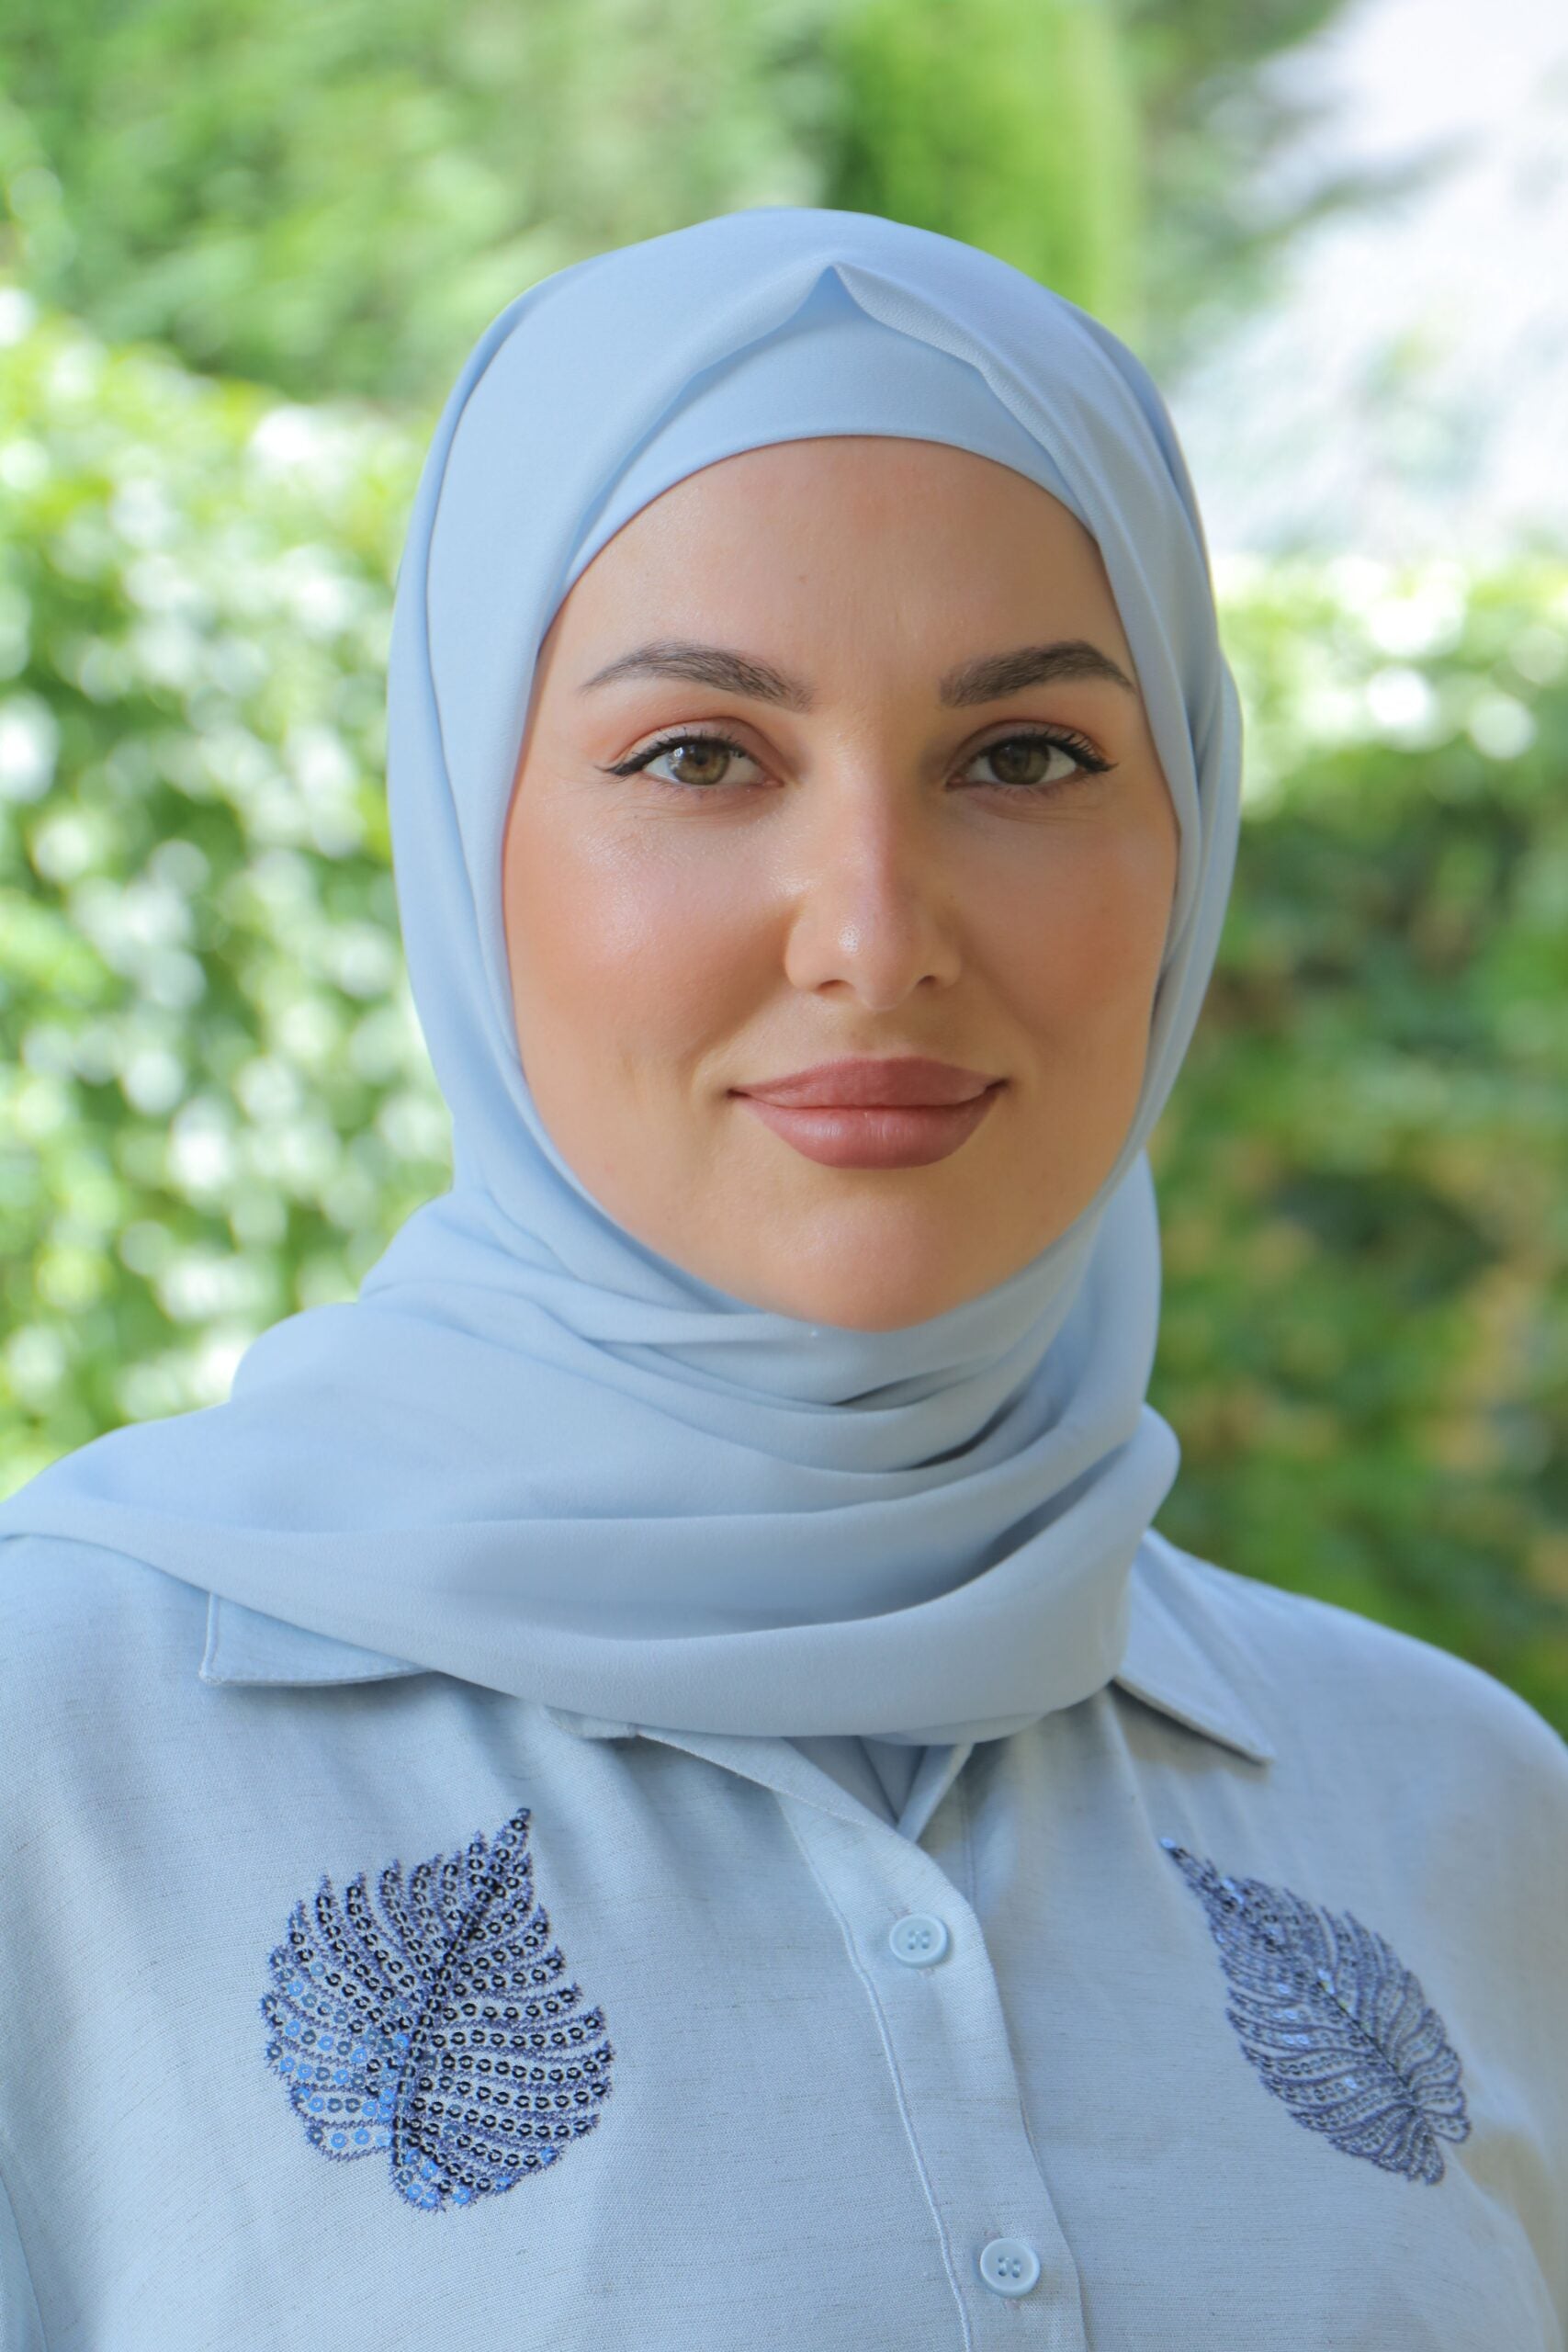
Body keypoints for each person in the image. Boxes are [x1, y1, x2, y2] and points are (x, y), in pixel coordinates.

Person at [0, 208, 1563, 2352]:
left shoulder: (1458, 1806)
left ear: (1186, 833)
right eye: (697, 756)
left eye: (1022, 758)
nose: (872, 929)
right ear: (466, 840)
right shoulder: (53, 1756)